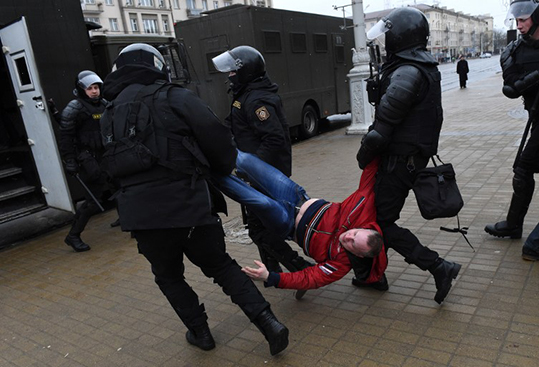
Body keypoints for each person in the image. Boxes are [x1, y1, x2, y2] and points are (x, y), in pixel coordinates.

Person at [100, 43, 288, 356]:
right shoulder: (175, 97)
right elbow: (219, 145)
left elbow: (106, 165)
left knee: (168, 277)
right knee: (222, 268)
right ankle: (268, 322)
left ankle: (200, 333)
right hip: (189, 206)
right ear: (157, 66)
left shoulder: (108, 112)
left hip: (142, 216)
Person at [355, 7, 461, 304]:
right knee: (376, 220)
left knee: (381, 224)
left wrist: (363, 155)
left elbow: (382, 129)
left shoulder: (407, 71)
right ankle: (371, 275)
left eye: (388, 34)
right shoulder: (416, 65)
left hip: (398, 161)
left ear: (399, 36)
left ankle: (438, 266)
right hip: (406, 158)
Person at [211, 151, 388, 291]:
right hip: (297, 196)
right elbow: (369, 176)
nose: (347, 237)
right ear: (364, 228)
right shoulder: (364, 212)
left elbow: (310, 278)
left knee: (262, 203)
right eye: (354, 233)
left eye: (352, 243)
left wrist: (271, 278)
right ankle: (205, 137)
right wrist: (379, 140)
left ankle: (206, 170)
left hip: (286, 223)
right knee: (246, 161)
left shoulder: (340, 264)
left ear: (358, 255)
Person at [212, 45, 312, 274]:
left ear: (245, 71)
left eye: (232, 71)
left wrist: (253, 169)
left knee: (259, 229)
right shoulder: (245, 95)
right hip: (259, 175)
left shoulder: (257, 101)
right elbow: (232, 123)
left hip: (265, 176)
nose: (229, 76)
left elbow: (274, 139)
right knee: (261, 224)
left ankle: (301, 269)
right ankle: (270, 268)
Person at [485, 0, 539, 240]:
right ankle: (513, 225)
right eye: (516, 20)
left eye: (523, 20)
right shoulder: (513, 50)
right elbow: (510, 88)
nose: (519, 25)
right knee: (522, 170)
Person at [58, 70, 107, 252]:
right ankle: (73, 235)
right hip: (88, 160)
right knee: (92, 201)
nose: (94, 91)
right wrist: (70, 160)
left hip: (105, 156)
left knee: (120, 188)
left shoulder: (103, 104)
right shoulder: (74, 108)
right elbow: (66, 137)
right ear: (81, 90)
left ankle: (128, 222)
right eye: (89, 88)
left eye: (96, 88)